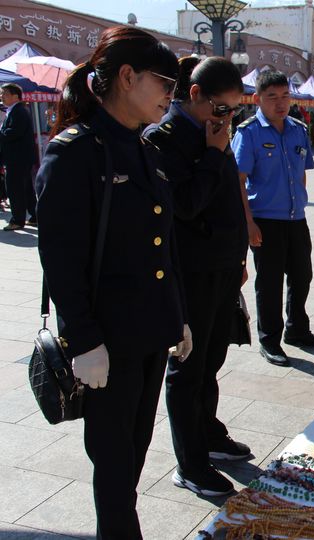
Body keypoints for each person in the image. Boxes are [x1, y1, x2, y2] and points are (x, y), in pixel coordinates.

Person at [35, 26, 188, 539]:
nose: (172, 92)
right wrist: (84, 339)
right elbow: (60, 255)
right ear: (127, 77)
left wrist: (177, 314)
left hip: (147, 334)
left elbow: (161, 246)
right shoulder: (75, 152)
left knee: (133, 457)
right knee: (114, 464)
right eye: (164, 80)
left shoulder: (144, 148)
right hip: (107, 341)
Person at [143, 56, 250, 497]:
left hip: (222, 266)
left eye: (235, 110)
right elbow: (186, 205)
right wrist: (211, 154)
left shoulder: (216, 131)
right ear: (194, 96)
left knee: (213, 359)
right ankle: (190, 463)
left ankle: (208, 433)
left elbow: (228, 197)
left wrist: (238, 257)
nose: (227, 118)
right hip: (191, 272)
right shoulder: (163, 139)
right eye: (220, 108)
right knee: (188, 367)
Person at [231, 70, 314, 366]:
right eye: (272, 97)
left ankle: (297, 330)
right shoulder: (248, 132)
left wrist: (298, 203)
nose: (280, 103)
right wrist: (248, 223)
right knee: (270, 282)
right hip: (264, 220)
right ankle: (269, 340)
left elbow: (301, 174)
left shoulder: (298, 129)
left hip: (295, 219)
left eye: (285, 95)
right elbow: (238, 179)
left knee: (302, 276)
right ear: (257, 99)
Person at [0, 83, 37, 230]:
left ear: (15, 96)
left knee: (15, 190)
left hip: (17, 158)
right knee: (26, 189)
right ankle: (34, 216)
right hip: (19, 158)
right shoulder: (15, 111)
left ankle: (17, 220)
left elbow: (13, 133)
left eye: (5, 94)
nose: (2, 96)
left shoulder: (19, 111)